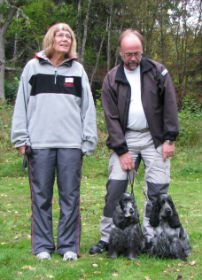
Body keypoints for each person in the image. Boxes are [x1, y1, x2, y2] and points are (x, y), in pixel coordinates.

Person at [11, 23, 97, 261]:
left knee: (70, 197)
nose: (64, 38)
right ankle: (42, 247)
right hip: (39, 144)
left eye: (68, 35)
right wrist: (21, 138)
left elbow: (88, 108)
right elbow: (22, 105)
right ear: (50, 39)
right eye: (60, 35)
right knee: (41, 198)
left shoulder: (78, 70)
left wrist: (88, 140)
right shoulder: (32, 67)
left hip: (71, 145)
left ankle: (68, 246)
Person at [89, 29, 179, 255]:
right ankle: (108, 237)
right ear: (120, 52)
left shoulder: (158, 71)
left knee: (158, 191)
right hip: (125, 138)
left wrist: (169, 139)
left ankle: (152, 239)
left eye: (137, 53)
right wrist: (121, 150)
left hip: (155, 137)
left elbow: (170, 105)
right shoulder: (112, 78)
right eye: (128, 54)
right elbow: (110, 117)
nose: (133, 58)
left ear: (142, 51)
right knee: (116, 188)